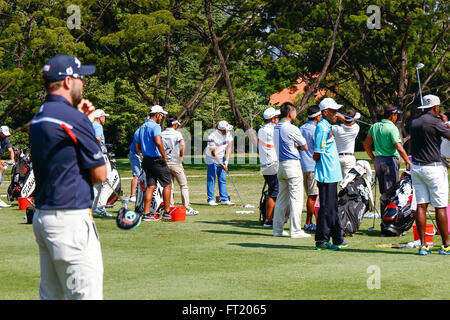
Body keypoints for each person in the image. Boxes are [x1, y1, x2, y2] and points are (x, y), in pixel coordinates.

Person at [30, 54, 107, 299]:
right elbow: (100, 174)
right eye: (80, 77)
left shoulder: (40, 115)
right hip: (70, 218)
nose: (83, 82)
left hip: (45, 215)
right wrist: (87, 123)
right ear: (67, 82)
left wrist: (80, 119)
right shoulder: (73, 119)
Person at [407, 94, 450, 255]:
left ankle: (424, 245)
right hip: (434, 168)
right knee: (439, 206)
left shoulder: (413, 122)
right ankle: (446, 245)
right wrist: (444, 122)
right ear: (436, 107)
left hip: (417, 167)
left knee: (421, 205)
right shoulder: (437, 122)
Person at [363, 104, 412, 214]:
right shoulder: (392, 128)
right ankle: (388, 221)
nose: (396, 118)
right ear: (392, 115)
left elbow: (366, 145)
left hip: (378, 161)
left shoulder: (375, 126)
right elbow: (398, 146)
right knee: (390, 192)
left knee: (383, 192)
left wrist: (374, 158)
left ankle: (384, 220)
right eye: (396, 115)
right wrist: (408, 162)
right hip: (390, 161)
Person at [313, 98, 347, 251]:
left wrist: (339, 117)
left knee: (333, 207)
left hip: (332, 174)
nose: (336, 113)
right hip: (326, 173)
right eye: (333, 111)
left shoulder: (328, 125)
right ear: (325, 112)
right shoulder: (322, 127)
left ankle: (337, 238)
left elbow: (346, 122)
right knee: (326, 208)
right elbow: (317, 153)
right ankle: (321, 240)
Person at [272, 102, 310, 239]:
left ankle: (277, 229)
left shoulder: (276, 127)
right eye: (294, 112)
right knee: (296, 198)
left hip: (281, 165)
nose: (295, 114)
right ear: (290, 113)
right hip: (292, 165)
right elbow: (304, 146)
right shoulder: (292, 128)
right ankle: (295, 230)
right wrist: (297, 146)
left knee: (282, 199)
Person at [137, 105, 173, 221]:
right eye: (161, 115)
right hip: (157, 160)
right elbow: (158, 141)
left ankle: (146, 214)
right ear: (157, 114)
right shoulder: (156, 126)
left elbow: (138, 144)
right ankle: (167, 212)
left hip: (146, 160)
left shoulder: (142, 127)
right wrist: (164, 156)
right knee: (167, 184)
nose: (162, 117)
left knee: (150, 187)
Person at [161, 116, 199, 216]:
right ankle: (186, 207)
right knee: (183, 185)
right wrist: (181, 156)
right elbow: (182, 145)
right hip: (175, 162)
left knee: (170, 186)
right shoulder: (177, 134)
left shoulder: (162, 133)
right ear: (174, 124)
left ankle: (170, 206)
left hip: (164, 162)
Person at [299, 105, 322, 232]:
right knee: (313, 196)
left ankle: (311, 221)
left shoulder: (301, 128)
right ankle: (309, 222)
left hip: (302, 165)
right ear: (317, 116)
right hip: (313, 165)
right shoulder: (316, 129)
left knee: (310, 195)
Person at [257, 107, 280, 227]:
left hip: (265, 165)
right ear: (272, 118)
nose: (278, 119)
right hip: (272, 164)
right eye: (276, 117)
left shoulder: (261, 129)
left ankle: (270, 217)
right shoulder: (273, 129)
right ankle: (269, 219)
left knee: (272, 191)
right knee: (273, 193)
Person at [205, 120, 234, 206]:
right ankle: (210, 199)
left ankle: (224, 199)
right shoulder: (212, 137)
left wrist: (226, 162)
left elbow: (229, 148)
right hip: (211, 158)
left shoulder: (228, 134)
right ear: (221, 130)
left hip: (222, 157)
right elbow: (213, 153)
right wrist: (221, 164)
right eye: (226, 129)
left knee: (222, 179)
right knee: (212, 178)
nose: (227, 131)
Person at [91, 109, 112, 217]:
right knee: (108, 181)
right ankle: (100, 207)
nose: (105, 119)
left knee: (97, 183)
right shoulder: (98, 126)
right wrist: (99, 147)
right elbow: (97, 138)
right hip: (101, 156)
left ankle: (93, 208)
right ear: (100, 117)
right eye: (104, 117)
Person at [332, 109, 360, 179]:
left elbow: (346, 122)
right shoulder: (356, 128)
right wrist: (340, 116)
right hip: (349, 158)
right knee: (347, 184)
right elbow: (349, 122)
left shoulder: (336, 129)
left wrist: (337, 115)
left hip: (336, 158)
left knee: (335, 183)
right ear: (353, 120)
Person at [128, 118, 149, 202]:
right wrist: (141, 156)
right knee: (136, 175)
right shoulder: (139, 131)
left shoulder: (149, 131)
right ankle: (132, 195)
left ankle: (144, 193)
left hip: (143, 155)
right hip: (135, 154)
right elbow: (138, 147)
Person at [0, 125, 14, 207]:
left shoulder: (5, 140)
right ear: (0, 132)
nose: (6, 136)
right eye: (4, 134)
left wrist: (12, 159)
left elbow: (11, 150)